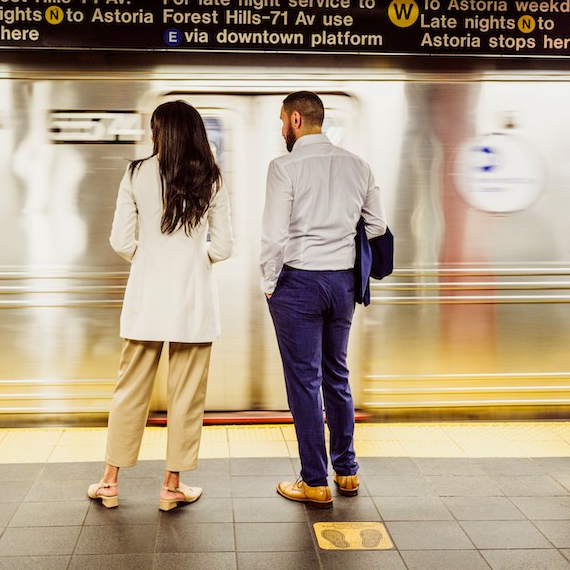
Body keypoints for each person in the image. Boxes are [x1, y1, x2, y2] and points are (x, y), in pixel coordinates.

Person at [88, 100, 233, 512]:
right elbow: (223, 246)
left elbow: (120, 241)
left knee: (129, 392)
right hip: (194, 303)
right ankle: (171, 488)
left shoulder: (135, 173)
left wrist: (150, 259)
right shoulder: (212, 176)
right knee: (187, 396)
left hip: (146, 301)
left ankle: (110, 483)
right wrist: (192, 260)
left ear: (158, 134)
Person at [261, 91, 386, 508]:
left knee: (304, 381)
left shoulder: (284, 167)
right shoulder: (358, 165)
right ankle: (346, 472)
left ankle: (314, 481)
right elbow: (377, 225)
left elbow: (275, 236)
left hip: (298, 283)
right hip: (343, 284)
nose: (282, 130)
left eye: (282, 121)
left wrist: (268, 281)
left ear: (296, 119)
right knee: (337, 374)